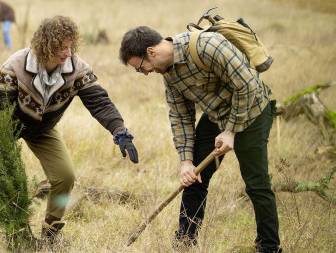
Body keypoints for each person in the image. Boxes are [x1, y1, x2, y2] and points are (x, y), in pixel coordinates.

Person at [0, 15, 139, 245]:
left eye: (70, 47)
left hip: (42, 128)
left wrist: (119, 130)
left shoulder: (77, 69)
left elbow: (99, 102)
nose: (68, 53)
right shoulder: (14, 66)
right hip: (4, 123)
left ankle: (50, 235)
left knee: (65, 176)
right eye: (62, 47)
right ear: (46, 45)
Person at [118, 26, 281, 253]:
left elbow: (248, 87)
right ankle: (184, 244)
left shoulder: (207, 46)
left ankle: (269, 247)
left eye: (140, 68)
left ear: (151, 52)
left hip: (251, 111)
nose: (144, 73)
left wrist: (231, 131)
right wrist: (186, 163)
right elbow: (180, 117)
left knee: (257, 183)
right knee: (194, 178)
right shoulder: (168, 74)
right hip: (216, 115)